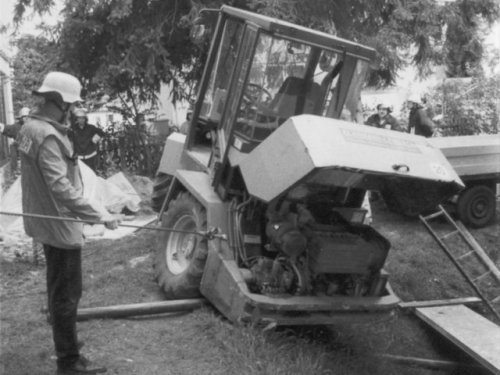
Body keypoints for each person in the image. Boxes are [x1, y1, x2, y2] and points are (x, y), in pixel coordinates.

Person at [16, 71, 121, 375]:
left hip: (45, 220)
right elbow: (60, 188)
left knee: (59, 290)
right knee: (67, 294)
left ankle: (69, 349)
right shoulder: (46, 136)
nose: (73, 110)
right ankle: (68, 362)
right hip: (58, 224)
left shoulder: (32, 128)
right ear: (59, 102)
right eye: (71, 104)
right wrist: (99, 214)